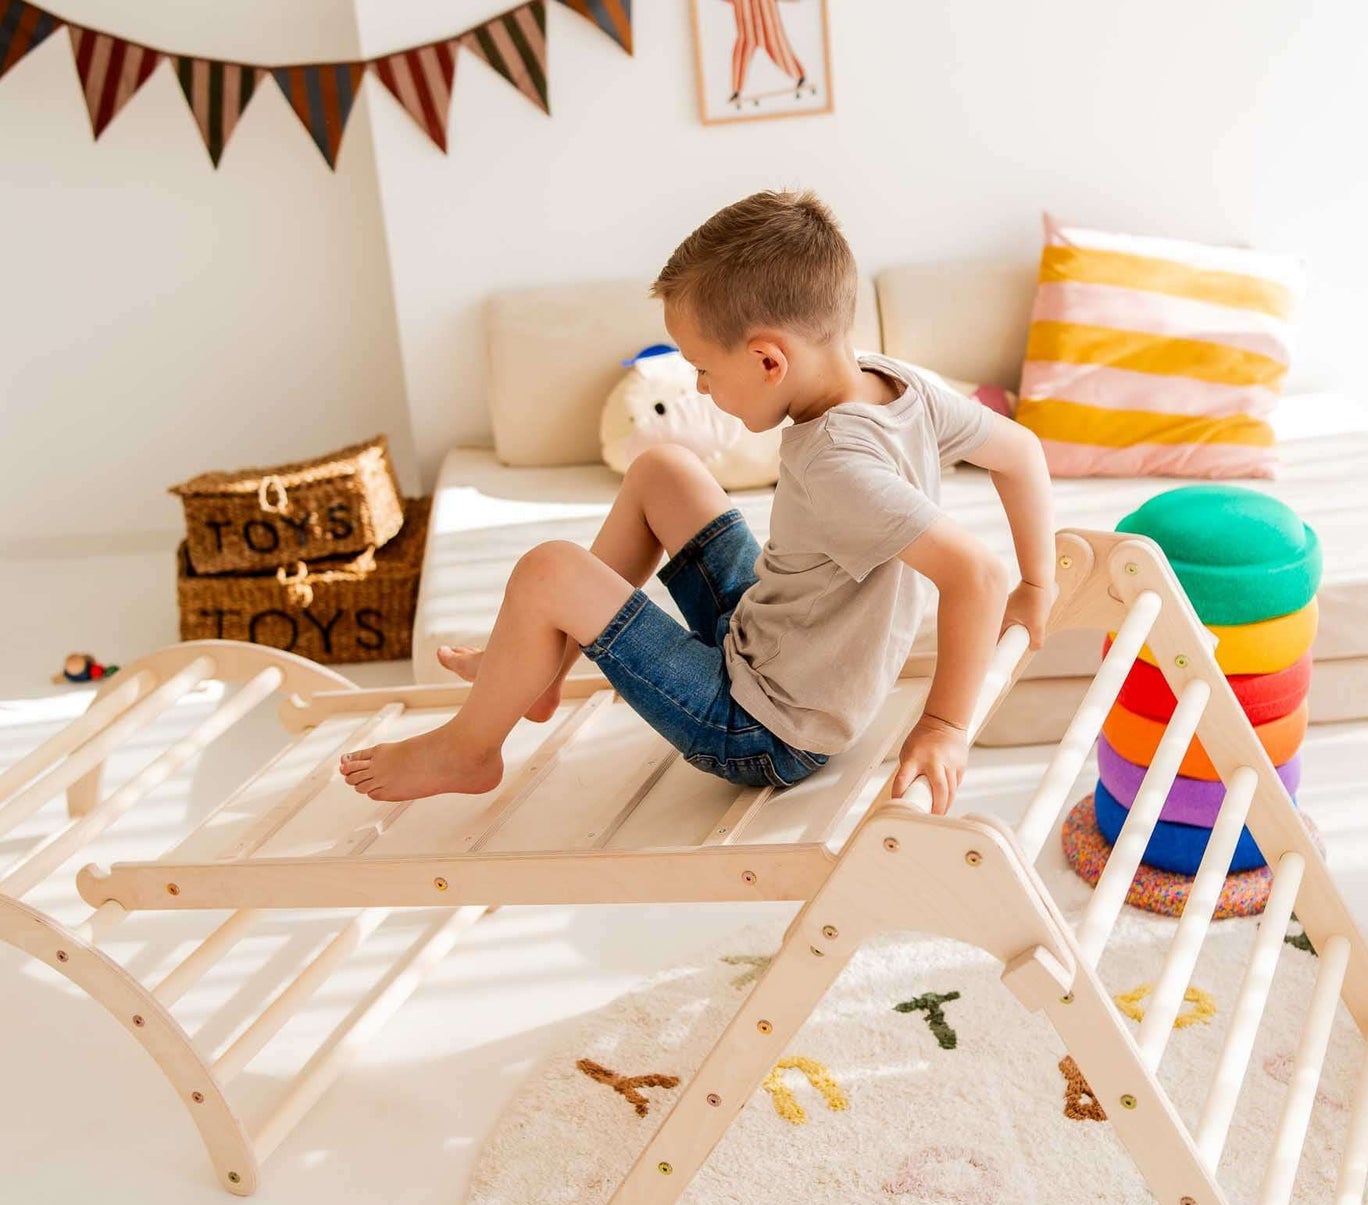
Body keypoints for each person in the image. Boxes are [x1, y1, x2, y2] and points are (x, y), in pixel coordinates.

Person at [340, 189, 1056, 816]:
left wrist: (945, 726)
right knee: (663, 469)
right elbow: (1021, 451)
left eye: (704, 369)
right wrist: (1039, 584)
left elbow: (975, 575)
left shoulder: (838, 464)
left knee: (549, 569)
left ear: (769, 360)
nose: (702, 388)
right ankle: (538, 668)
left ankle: (468, 749)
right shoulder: (897, 383)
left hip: (761, 728)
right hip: (775, 643)